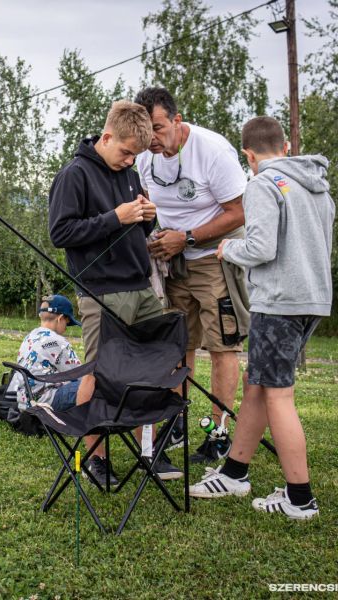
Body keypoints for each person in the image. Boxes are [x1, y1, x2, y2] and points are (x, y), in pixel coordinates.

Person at [189, 116, 333, 520]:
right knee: (259, 384)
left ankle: (300, 498)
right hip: (312, 300)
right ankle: (234, 473)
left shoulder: (262, 185)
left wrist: (226, 251)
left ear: (248, 156)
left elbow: (261, 247)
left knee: (278, 395)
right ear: (285, 147)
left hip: (280, 301)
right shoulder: (318, 188)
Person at [48, 99, 181, 484]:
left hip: (141, 285)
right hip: (101, 291)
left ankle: (150, 451)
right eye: (125, 152)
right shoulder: (74, 175)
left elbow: (133, 230)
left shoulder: (129, 172)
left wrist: (145, 218)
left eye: (135, 155)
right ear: (106, 137)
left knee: (157, 366)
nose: (129, 161)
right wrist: (115, 217)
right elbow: (61, 233)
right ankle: (95, 458)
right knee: (101, 374)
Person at [135, 86, 249, 464]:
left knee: (221, 345)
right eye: (144, 130)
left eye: (158, 127)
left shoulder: (212, 151)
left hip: (213, 258)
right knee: (177, 344)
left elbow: (239, 212)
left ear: (177, 120)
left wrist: (186, 237)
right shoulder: (145, 159)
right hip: (171, 262)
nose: (151, 138)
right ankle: (176, 422)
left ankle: (218, 432)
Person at [6, 295, 83, 412]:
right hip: (43, 402)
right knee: (91, 382)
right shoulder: (58, 341)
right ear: (60, 318)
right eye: (67, 323)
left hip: (24, 402)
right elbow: (79, 374)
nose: (66, 328)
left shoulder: (30, 336)